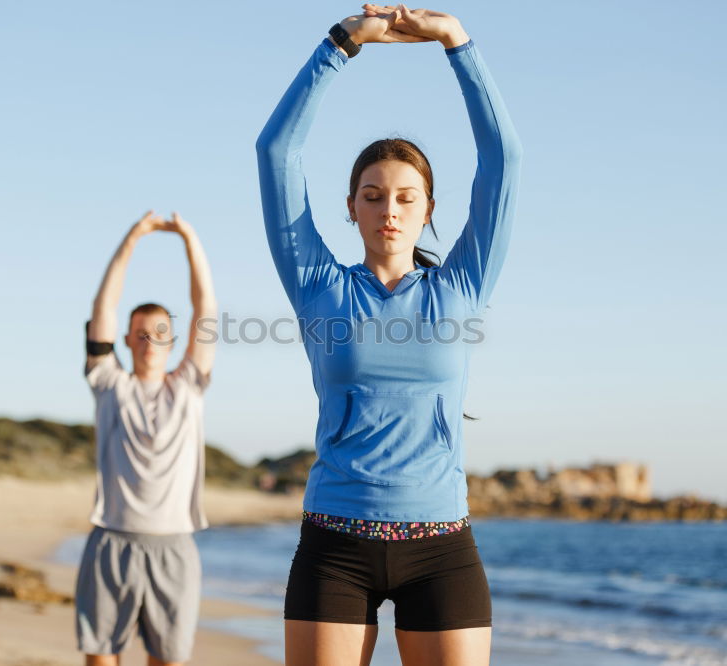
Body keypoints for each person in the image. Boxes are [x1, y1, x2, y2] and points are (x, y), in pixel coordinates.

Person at [256, 4, 522, 665]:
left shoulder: (461, 287)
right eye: (373, 195)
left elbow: (503, 159)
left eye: (406, 196)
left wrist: (456, 42)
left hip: (442, 550)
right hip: (334, 548)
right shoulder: (319, 283)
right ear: (350, 207)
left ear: (430, 209)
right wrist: (339, 46)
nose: (389, 209)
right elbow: (276, 152)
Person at [76, 210, 217, 666]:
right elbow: (103, 306)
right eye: (140, 333)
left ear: (173, 340)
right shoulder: (110, 384)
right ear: (128, 340)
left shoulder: (190, 386)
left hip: (174, 545)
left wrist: (189, 240)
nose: (150, 341)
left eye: (160, 333)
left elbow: (206, 310)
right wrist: (133, 237)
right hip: (111, 541)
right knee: (101, 657)